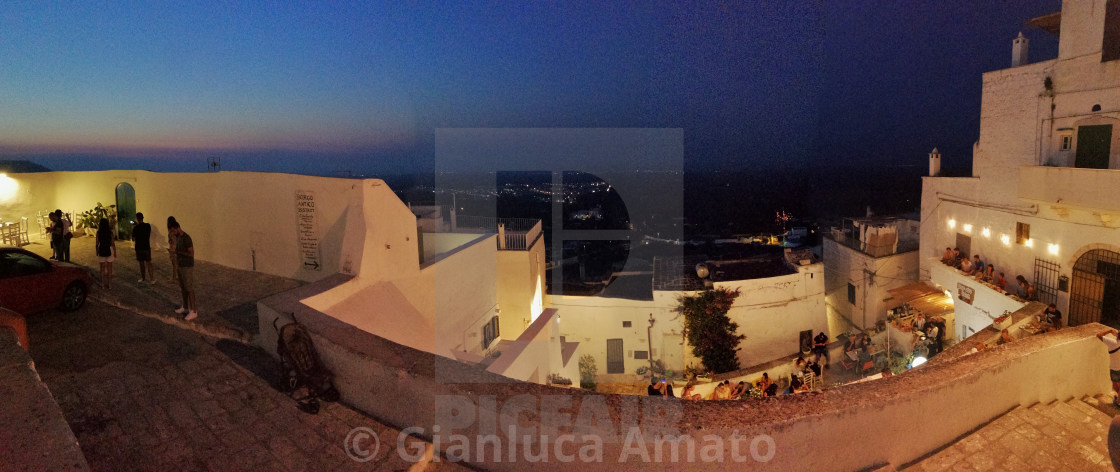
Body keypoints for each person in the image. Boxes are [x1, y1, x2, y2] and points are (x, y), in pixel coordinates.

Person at [169, 220, 197, 321]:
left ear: (177, 228)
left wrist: (176, 252)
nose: (172, 233)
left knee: (189, 288)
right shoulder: (177, 237)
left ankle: (193, 311)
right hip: (180, 265)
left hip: (187, 266)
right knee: (183, 287)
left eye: (173, 231)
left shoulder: (186, 238)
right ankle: (185, 307)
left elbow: (191, 254)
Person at [1097, 328, 1120, 407]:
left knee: (1115, 386)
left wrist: (1109, 331)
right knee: (1117, 386)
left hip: (1115, 369)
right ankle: (1118, 400)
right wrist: (1116, 334)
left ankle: (1118, 402)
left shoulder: (1113, 343)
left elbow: (1099, 335)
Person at [132, 212, 154, 284]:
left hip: (139, 247)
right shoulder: (148, 226)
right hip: (146, 246)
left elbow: (133, 239)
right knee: (149, 263)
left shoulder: (135, 228)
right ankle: (152, 279)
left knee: (141, 264)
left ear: (137, 219)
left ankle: (143, 278)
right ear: (143, 218)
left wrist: (135, 226)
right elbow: (149, 233)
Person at [95, 218, 116, 289]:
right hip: (109, 249)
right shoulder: (110, 232)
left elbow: (97, 243)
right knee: (109, 268)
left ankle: (102, 284)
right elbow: (113, 243)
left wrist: (97, 252)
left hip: (101, 249)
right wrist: (115, 252)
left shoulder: (98, 232)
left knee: (102, 268)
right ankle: (110, 284)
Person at [167, 216, 180, 284]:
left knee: (174, 265)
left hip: (173, 250)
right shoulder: (176, 231)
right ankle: (177, 277)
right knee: (177, 265)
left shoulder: (171, 232)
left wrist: (171, 249)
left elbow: (173, 241)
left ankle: (174, 278)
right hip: (176, 249)